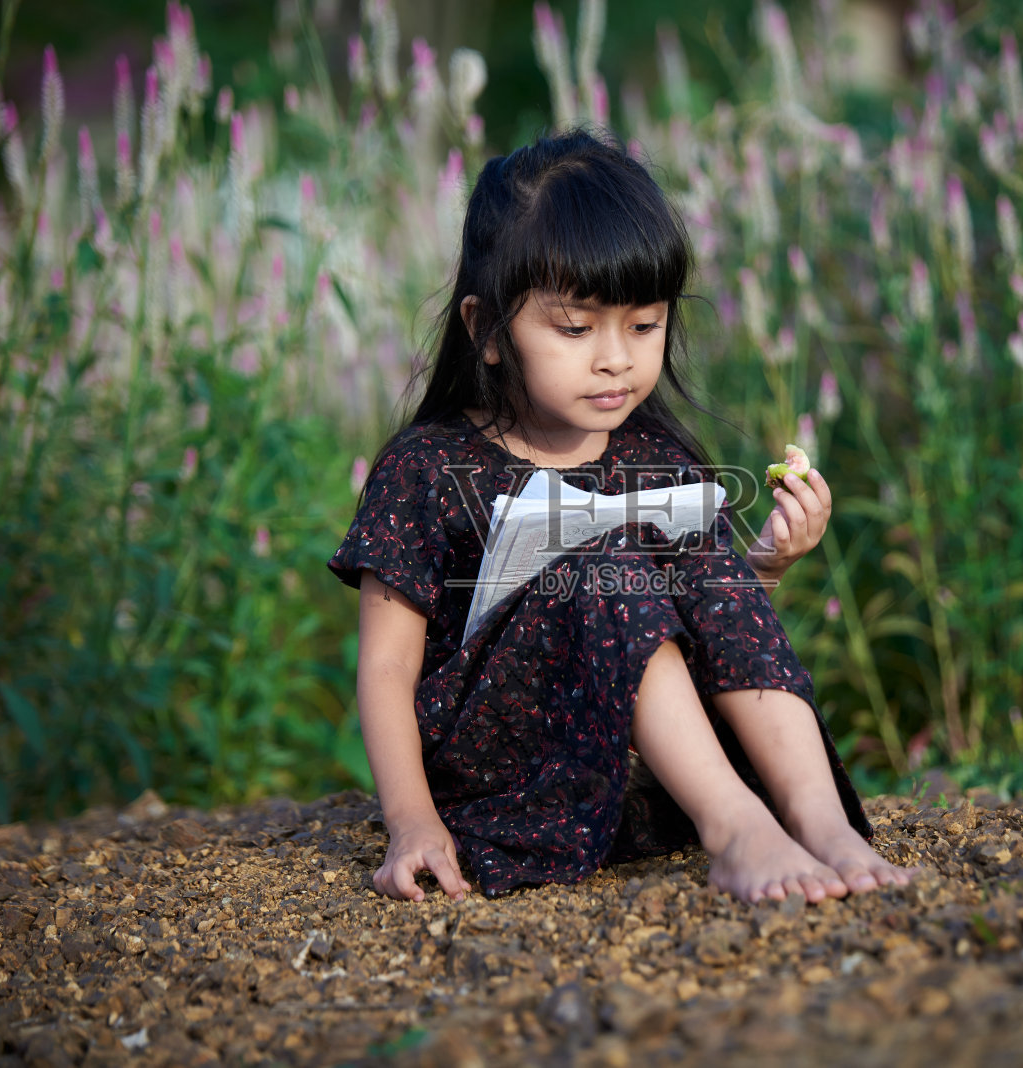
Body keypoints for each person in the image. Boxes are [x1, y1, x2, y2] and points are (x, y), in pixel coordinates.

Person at [328, 129, 915, 903]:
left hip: (634, 787)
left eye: (644, 326)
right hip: (511, 781)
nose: (616, 359)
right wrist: (411, 821)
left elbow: (689, 636)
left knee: (705, 567)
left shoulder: (653, 453)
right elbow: (387, 667)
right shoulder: (427, 468)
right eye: (575, 330)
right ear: (487, 330)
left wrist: (763, 567)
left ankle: (820, 820)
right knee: (598, 569)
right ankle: (739, 832)